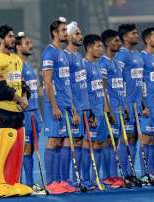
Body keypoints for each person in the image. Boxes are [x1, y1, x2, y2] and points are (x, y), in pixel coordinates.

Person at [0, 24, 33, 196]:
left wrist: (24, 94)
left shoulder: (16, 59)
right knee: (3, 149)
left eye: (13, 36)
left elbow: (19, 83)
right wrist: (20, 100)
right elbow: (1, 88)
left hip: (17, 111)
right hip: (3, 110)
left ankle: (12, 182)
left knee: (17, 150)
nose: (13, 39)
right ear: (1, 39)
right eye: (9, 36)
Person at [41, 17, 77, 194]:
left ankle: (61, 180)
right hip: (54, 105)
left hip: (65, 104)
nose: (66, 33)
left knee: (63, 141)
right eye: (63, 31)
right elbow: (47, 83)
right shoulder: (49, 52)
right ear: (55, 33)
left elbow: (66, 83)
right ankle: (50, 182)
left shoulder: (62, 53)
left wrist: (72, 108)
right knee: (54, 140)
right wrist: (54, 106)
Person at [16, 32, 46, 194]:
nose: (31, 46)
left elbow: (36, 91)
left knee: (32, 148)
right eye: (27, 43)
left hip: (35, 112)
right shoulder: (17, 65)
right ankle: (26, 184)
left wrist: (39, 112)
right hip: (25, 113)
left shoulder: (29, 65)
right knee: (25, 149)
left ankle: (28, 184)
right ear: (18, 46)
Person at [115, 24, 143, 178]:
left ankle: (130, 172)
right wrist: (123, 102)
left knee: (134, 138)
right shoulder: (122, 55)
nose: (136, 35)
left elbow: (141, 79)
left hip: (137, 104)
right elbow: (118, 79)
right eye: (134, 33)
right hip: (126, 104)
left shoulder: (137, 54)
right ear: (125, 37)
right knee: (124, 137)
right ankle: (122, 172)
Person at [99, 29, 126, 188]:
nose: (118, 43)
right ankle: (108, 176)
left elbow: (119, 87)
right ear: (108, 43)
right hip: (109, 109)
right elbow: (102, 89)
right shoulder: (103, 63)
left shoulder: (117, 63)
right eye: (116, 41)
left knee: (115, 141)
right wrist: (107, 110)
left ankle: (114, 175)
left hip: (119, 108)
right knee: (108, 142)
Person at [63, 21, 88, 186]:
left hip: (83, 106)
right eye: (77, 33)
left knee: (79, 141)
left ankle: (77, 178)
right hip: (74, 108)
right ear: (69, 36)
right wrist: (73, 110)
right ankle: (67, 179)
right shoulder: (65, 57)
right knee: (69, 142)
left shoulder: (79, 57)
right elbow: (65, 85)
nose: (81, 36)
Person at [82, 34, 106, 190]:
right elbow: (81, 91)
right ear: (89, 47)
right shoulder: (83, 65)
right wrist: (90, 113)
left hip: (100, 111)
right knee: (87, 144)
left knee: (99, 144)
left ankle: (95, 177)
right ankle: (84, 179)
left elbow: (101, 90)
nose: (101, 49)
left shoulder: (98, 65)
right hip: (90, 113)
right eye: (98, 46)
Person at [140, 27, 154, 182]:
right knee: (146, 139)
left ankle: (152, 173)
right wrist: (144, 105)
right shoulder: (142, 58)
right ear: (148, 40)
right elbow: (140, 82)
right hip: (148, 105)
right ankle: (144, 173)